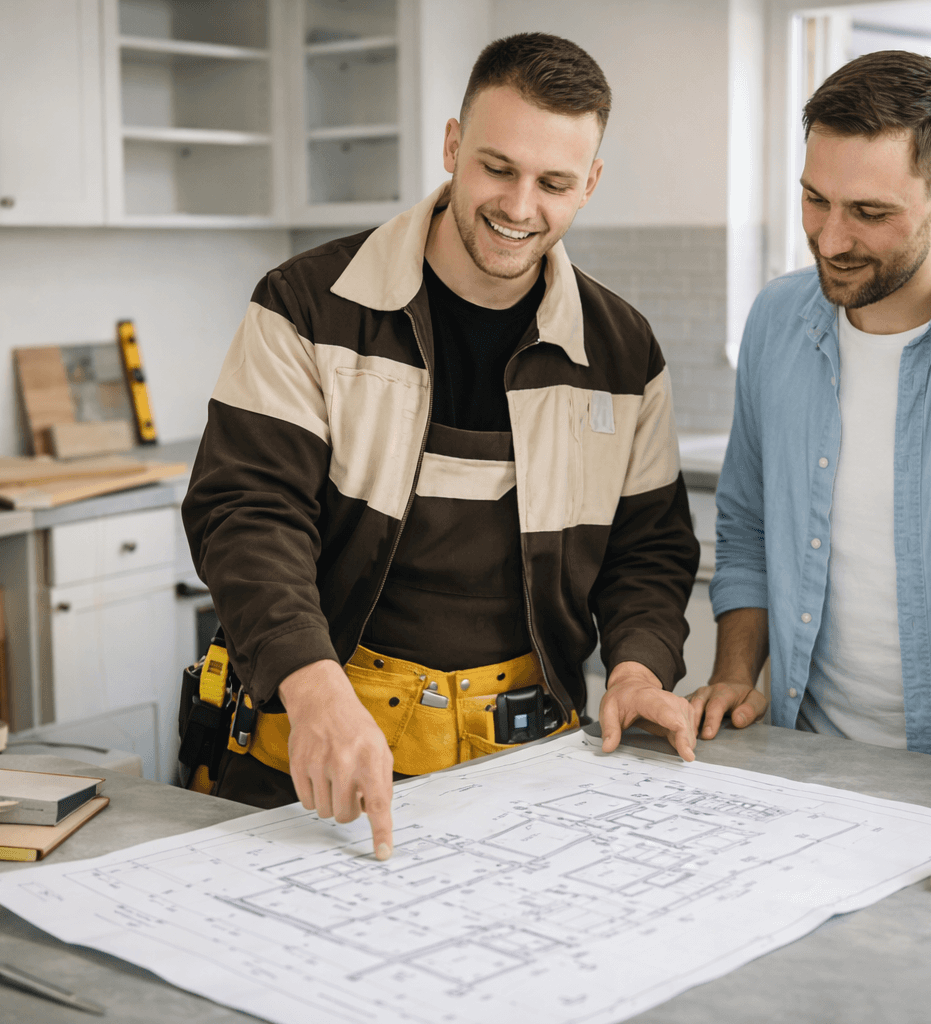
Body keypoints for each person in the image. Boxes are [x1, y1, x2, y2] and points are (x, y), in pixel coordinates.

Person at [181, 33, 700, 861]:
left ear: (589, 185)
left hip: (530, 770)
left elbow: (649, 551)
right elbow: (247, 512)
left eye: (555, 182)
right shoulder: (306, 305)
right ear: (453, 146)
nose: (521, 205)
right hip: (312, 751)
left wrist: (638, 670)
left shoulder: (622, 350)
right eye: (498, 167)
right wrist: (312, 689)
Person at [692, 51, 931, 766]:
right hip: (805, 756)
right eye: (815, 199)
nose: (830, 238)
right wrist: (734, 673)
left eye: (870, 212)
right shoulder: (775, 321)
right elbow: (747, 525)